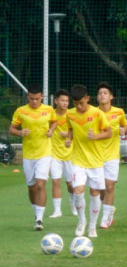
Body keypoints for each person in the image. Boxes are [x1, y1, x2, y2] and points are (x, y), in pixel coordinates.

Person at [66, 84, 112, 238]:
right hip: (78, 161)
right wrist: (68, 139)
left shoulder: (97, 114)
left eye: (81, 103)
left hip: (96, 162)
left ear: (87, 98)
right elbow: (71, 129)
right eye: (75, 103)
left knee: (94, 193)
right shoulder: (70, 114)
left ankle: (92, 226)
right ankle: (81, 221)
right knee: (78, 190)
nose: (79, 106)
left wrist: (96, 136)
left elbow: (109, 133)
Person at [9, 84, 57, 230]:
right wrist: (20, 133)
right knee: (31, 187)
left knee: (40, 185)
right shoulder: (21, 111)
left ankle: (39, 220)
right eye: (31, 99)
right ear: (27, 97)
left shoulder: (48, 110)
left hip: (44, 153)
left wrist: (51, 130)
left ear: (41, 97)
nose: (34, 101)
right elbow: (11, 129)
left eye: (37, 99)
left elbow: (54, 122)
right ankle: (36, 212)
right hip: (29, 154)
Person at [96, 82, 127, 229]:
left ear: (111, 96)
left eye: (105, 93)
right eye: (100, 93)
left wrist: (124, 130)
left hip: (112, 156)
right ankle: (108, 208)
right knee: (100, 189)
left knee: (109, 187)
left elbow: (125, 125)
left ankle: (106, 218)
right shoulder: (93, 113)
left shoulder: (119, 112)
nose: (102, 95)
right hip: (96, 156)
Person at [49, 89, 74, 218]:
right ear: (56, 101)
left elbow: (79, 132)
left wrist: (69, 136)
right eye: (62, 101)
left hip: (70, 154)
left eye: (67, 101)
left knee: (70, 183)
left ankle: (72, 203)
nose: (65, 103)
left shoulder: (72, 115)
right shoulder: (51, 115)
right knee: (56, 181)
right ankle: (57, 210)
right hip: (54, 154)